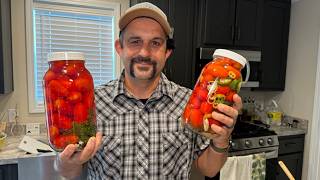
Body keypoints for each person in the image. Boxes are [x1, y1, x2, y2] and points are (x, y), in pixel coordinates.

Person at [55, 2, 242, 179]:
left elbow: (208, 169)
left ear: (167, 52)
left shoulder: (191, 103)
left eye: (155, 43)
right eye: (135, 41)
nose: (144, 53)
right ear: (119, 47)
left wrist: (221, 140)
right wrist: (67, 162)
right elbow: (70, 172)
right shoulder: (91, 103)